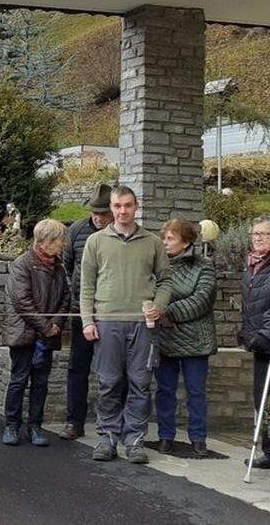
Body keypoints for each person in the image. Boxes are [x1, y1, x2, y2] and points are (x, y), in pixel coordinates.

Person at [80, 186, 170, 464]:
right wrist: (86, 320)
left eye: (127, 205)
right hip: (107, 322)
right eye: (117, 206)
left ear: (136, 206)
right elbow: (86, 285)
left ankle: (134, 440)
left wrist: (160, 305)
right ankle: (107, 438)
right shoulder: (96, 241)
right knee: (108, 382)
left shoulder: (152, 242)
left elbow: (166, 280)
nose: (122, 211)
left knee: (141, 383)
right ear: (111, 208)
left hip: (142, 325)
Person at [1, 219, 69, 448]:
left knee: (41, 382)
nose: (63, 243)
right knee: (19, 380)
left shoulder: (59, 267)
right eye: (60, 239)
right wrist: (46, 327)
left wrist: (57, 323)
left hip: (48, 334)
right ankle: (11, 424)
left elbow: (66, 298)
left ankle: (35, 425)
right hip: (24, 334)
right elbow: (22, 301)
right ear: (46, 241)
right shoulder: (22, 264)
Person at [153, 219, 216, 458]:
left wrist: (167, 311)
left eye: (170, 238)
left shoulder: (204, 266)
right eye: (164, 238)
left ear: (186, 241)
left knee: (196, 392)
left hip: (196, 341)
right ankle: (165, 436)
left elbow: (201, 300)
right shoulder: (159, 265)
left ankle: (198, 438)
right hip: (166, 338)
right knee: (165, 390)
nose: (165, 243)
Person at [59, 183, 114, 441]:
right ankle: (74, 421)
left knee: (114, 371)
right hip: (82, 312)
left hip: (114, 313)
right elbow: (66, 268)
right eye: (95, 212)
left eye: (103, 212)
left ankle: (114, 423)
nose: (99, 217)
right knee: (78, 368)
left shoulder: (122, 235)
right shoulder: (77, 231)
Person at [241, 216, 270, 470]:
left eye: (264, 234)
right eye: (255, 233)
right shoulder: (253, 264)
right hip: (260, 343)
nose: (258, 238)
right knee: (263, 400)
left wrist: (267, 334)